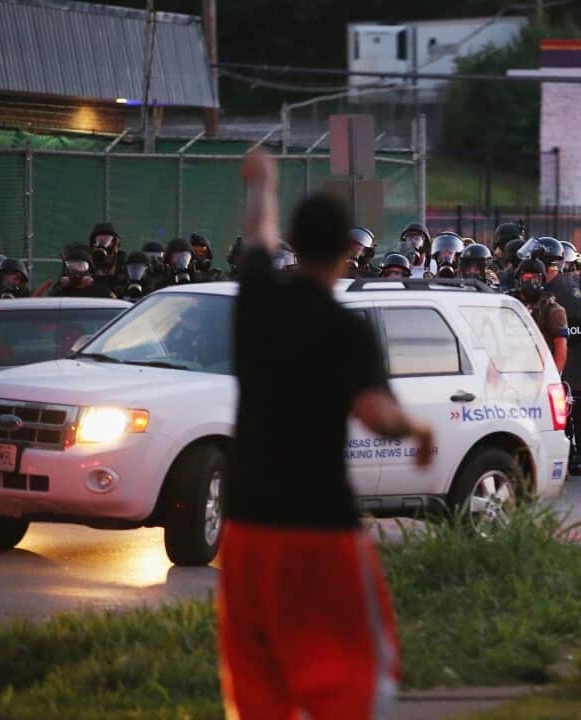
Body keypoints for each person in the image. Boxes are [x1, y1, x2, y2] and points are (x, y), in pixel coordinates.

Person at [221, 149, 434, 719]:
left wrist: (261, 183)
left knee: (256, 670)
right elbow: (374, 414)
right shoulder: (346, 328)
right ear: (346, 253)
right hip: (319, 524)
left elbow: (257, 234)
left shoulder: (255, 302)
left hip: (246, 523)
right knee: (351, 665)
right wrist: (416, 430)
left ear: (294, 242)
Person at [550, 240, 581, 475]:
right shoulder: (551, 287)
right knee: (561, 404)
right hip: (562, 348)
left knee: (580, 403)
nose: (569, 272)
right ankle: (566, 450)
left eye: (572, 268)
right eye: (565, 267)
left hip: (579, 351)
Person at [515, 258, 568, 369]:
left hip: (539, 372)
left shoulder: (551, 309)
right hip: (511, 370)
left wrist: (554, 377)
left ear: (542, 280)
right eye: (526, 277)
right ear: (519, 278)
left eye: (535, 278)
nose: (530, 282)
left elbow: (561, 347)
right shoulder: (509, 304)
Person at [50, 245, 115, 298]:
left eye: (80, 266)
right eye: (72, 267)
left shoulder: (100, 292)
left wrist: (96, 286)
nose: (76, 270)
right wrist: (59, 286)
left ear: (89, 270)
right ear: (65, 270)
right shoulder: (60, 291)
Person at [88, 222, 124, 294]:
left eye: (107, 240)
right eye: (99, 240)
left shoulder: (122, 261)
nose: (103, 243)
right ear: (93, 243)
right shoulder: (86, 260)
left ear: (115, 243)